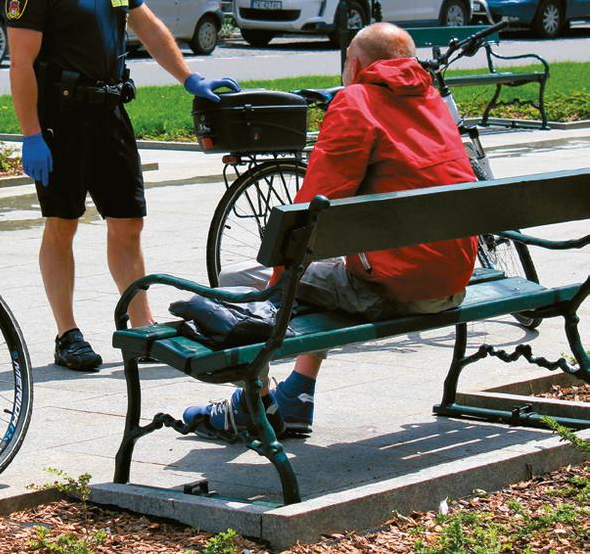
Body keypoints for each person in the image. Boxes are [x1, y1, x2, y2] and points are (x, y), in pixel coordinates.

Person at [182, 23, 478, 439]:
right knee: (327, 272)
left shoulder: (357, 101)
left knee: (237, 279)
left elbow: (307, 214)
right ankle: (297, 394)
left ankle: (254, 406)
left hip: (399, 291)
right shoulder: (433, 101)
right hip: (453, 283)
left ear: (353, 66)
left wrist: (276, 287)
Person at [6, 0, 239, 372]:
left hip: (111, 114)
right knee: (62, 225)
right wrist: (30, 135)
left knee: (128, 224)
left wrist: (189, 78)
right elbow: (20, 64)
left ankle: (143, 324)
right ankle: (67, 334)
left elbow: (149, 28)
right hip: (60, 123)